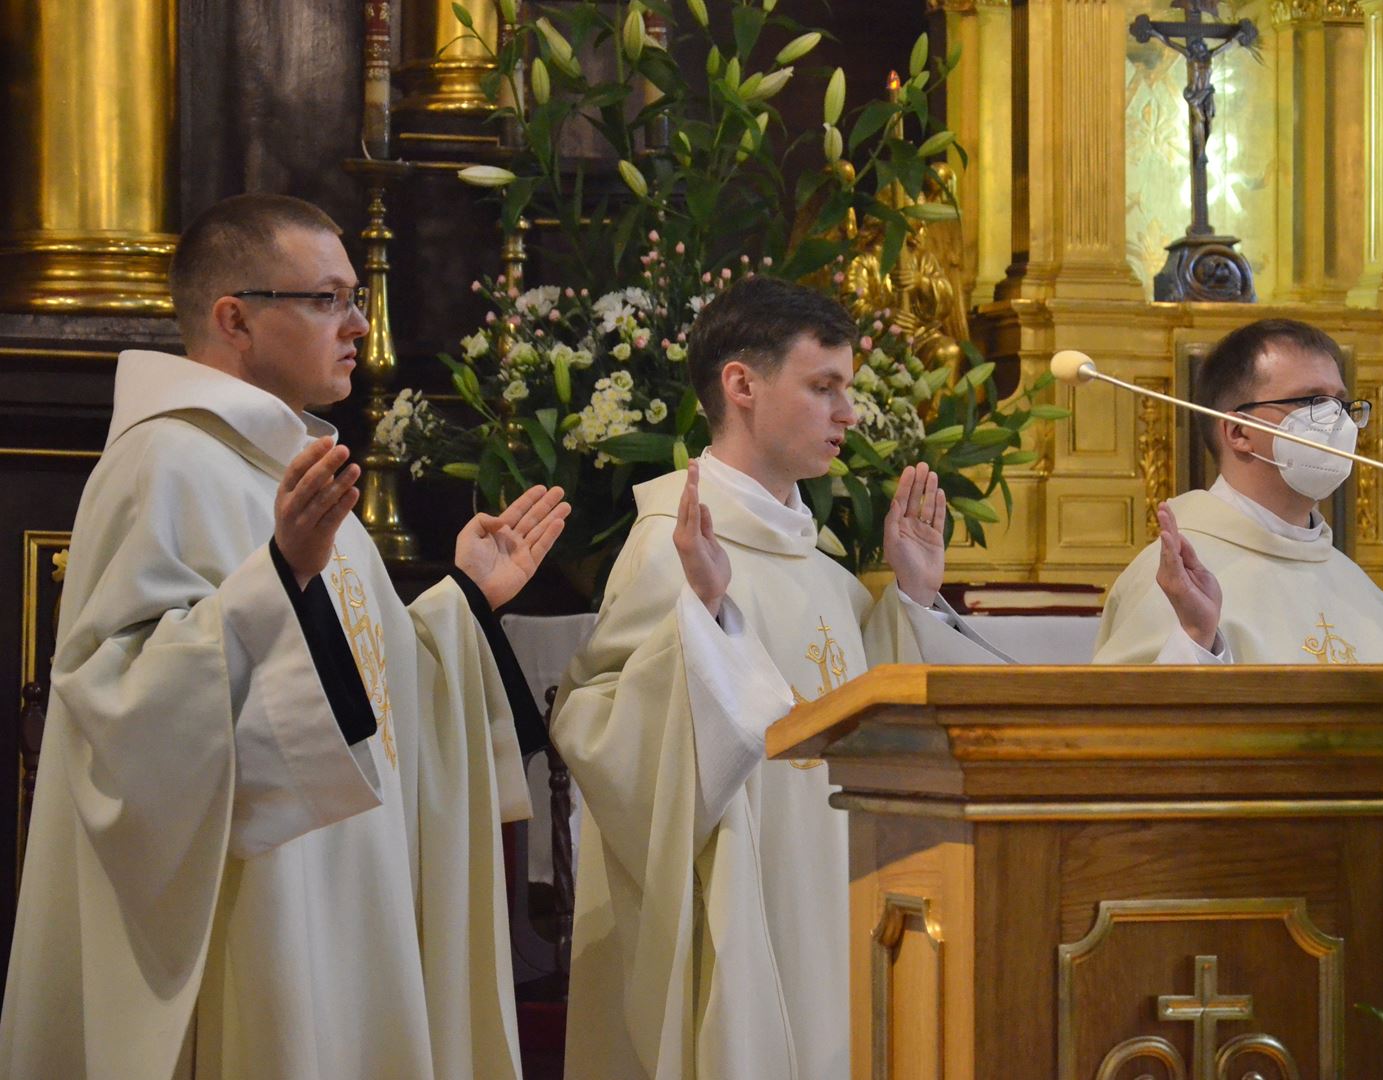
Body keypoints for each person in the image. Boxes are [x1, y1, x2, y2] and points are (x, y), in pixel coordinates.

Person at [0, 194, 571, 1080]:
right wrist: (279, 578)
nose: (358, 324)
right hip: (262, 898)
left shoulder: (291, 465)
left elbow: (372, 688)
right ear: (235, 317)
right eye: (329, 299)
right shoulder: (168, 462)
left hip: (347, 881)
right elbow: (116, 706)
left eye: (355, 298)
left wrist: (463, 602)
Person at [552, 275, 998, 1080]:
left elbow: (867, 718)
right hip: (745, 912)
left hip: (838, 894)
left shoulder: (822, 571)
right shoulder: (673, 546)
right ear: (741, 386)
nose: (849, 415)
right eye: (823, 387)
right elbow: (597, 732)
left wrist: (913, 598)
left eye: (848, 389)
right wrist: (710, 619)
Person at [1091, 318, 1383, 1080]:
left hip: (1379, 914)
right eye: (1309, 401)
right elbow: (1129, 765)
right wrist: (1199, 643)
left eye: (1344, 405)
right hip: (1261, 932)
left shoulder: (1357, 591)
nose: (1337, 424)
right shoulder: (1178, 572)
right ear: (1237, 432)